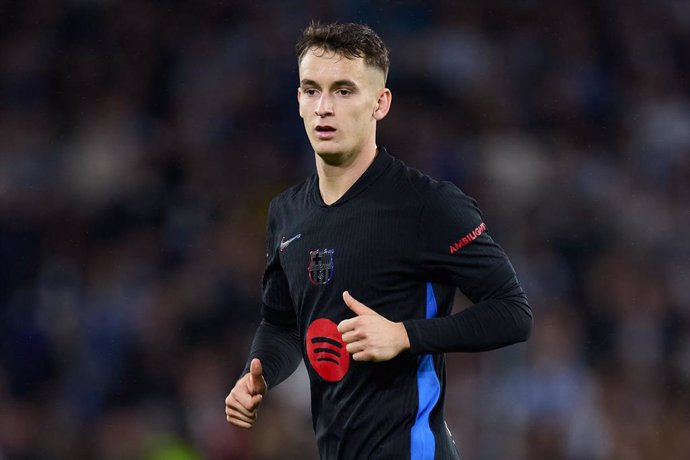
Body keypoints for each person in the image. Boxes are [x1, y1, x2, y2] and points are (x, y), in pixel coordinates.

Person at [225, 21, 533, 459]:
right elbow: (281, 324)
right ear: (297, 100)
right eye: (312, 90)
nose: (324, 107)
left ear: (380, 103)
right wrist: (258, 374)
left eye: (344, 90)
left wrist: (404, 336)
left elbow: (513, 314)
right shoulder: (286, 213)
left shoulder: (428, 205)